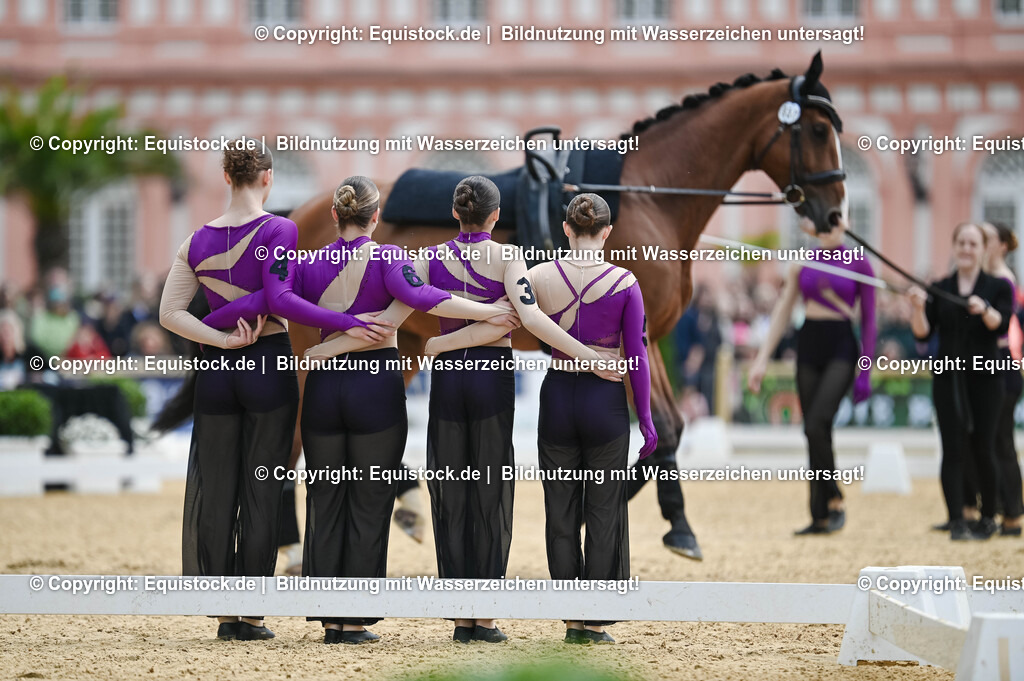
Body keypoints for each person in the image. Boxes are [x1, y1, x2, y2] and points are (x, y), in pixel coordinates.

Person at [227, 176, 514, 644]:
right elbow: (425, 298)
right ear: (376, 217)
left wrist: (333, 330)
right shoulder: (391, 258)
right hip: (375, 386)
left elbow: (278, 299)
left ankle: (329, 618)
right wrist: (489, 312)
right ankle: (355, 620)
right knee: (370, 501)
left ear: (334, 215)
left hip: (324, 387)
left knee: (325, 498)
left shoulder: (306, 261)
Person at [159, 140, 392, 642]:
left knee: (217, 485)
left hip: (216, 369)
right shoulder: (279, 229)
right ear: (268, 177)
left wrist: (218, 337)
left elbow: (169, 314)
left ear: (226, 177)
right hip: (266, 362)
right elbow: (278, 298)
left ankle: (225, 614)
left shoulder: (195, 239)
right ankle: (252, 612)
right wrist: (345, 322)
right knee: (263, 486)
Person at [410, 178, 624, 644]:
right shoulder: (510, 257)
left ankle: (460, 616)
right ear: (495, 216)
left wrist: (440, 343)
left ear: (455, 213)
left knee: (450, 489)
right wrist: (589, 358)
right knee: (490, 491)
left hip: (448, 378)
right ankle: (485, 617)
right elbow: (525, 319)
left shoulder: (427, 257)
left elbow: (404, 296)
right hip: (490, 378)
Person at [748, 220, 876, 535]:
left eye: (834, 219)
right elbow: (782, 311)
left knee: (816, 423)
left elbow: (870, 321)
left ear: (845, 222)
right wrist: (761, 359)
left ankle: (834, 497)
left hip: (841, 345)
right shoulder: (802, 261)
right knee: (814, 430)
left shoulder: (859, 262)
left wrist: (865, 369)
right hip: (809, 343)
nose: (827, 226)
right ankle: (819, 514)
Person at [908, 222, 1012, 541]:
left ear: (982, 249)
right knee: (952, 447)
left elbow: (1002, 325)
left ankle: (988, 517)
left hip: (986, 376)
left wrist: (985, 310)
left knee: (984, 445)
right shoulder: (941, 288)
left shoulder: (998, 286)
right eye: (961, 243)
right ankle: (956, 520)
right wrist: (917, 308)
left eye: (973, 243)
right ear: (954, 247)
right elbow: (923, 333)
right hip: (949, 375)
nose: (966, 249)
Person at [976, 221, 1022, 536]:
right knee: (994, 441)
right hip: (993, 362)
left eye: (987, 238)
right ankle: (1004, 508)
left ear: (1002, 245)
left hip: (1003, 363)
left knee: (1001, 441)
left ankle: (1013, 512)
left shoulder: (1003, 280)